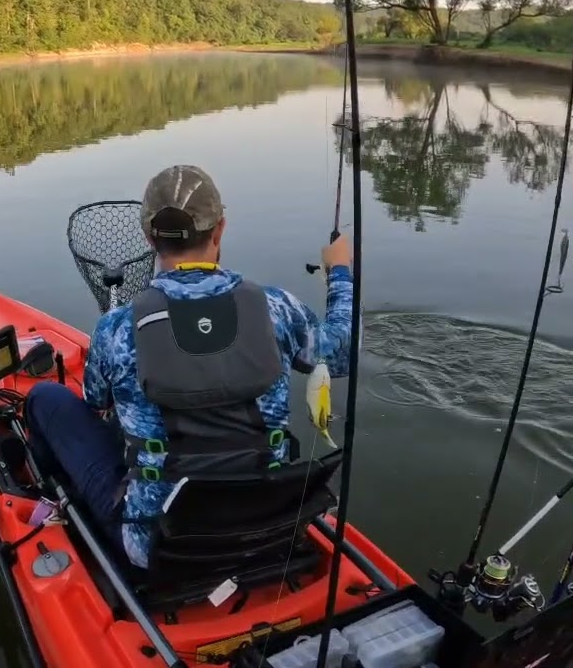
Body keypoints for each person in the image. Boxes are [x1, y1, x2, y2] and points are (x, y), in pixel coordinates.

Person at [24, 164, 354, 569]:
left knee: (46, 397)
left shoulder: (115, 329)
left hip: (158, 549)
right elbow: (339, 354)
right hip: (269, 523)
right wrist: (339, 271)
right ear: (220, 229)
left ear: (149, 238)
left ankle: (47, 496)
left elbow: (95, 402)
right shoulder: (278, 310)